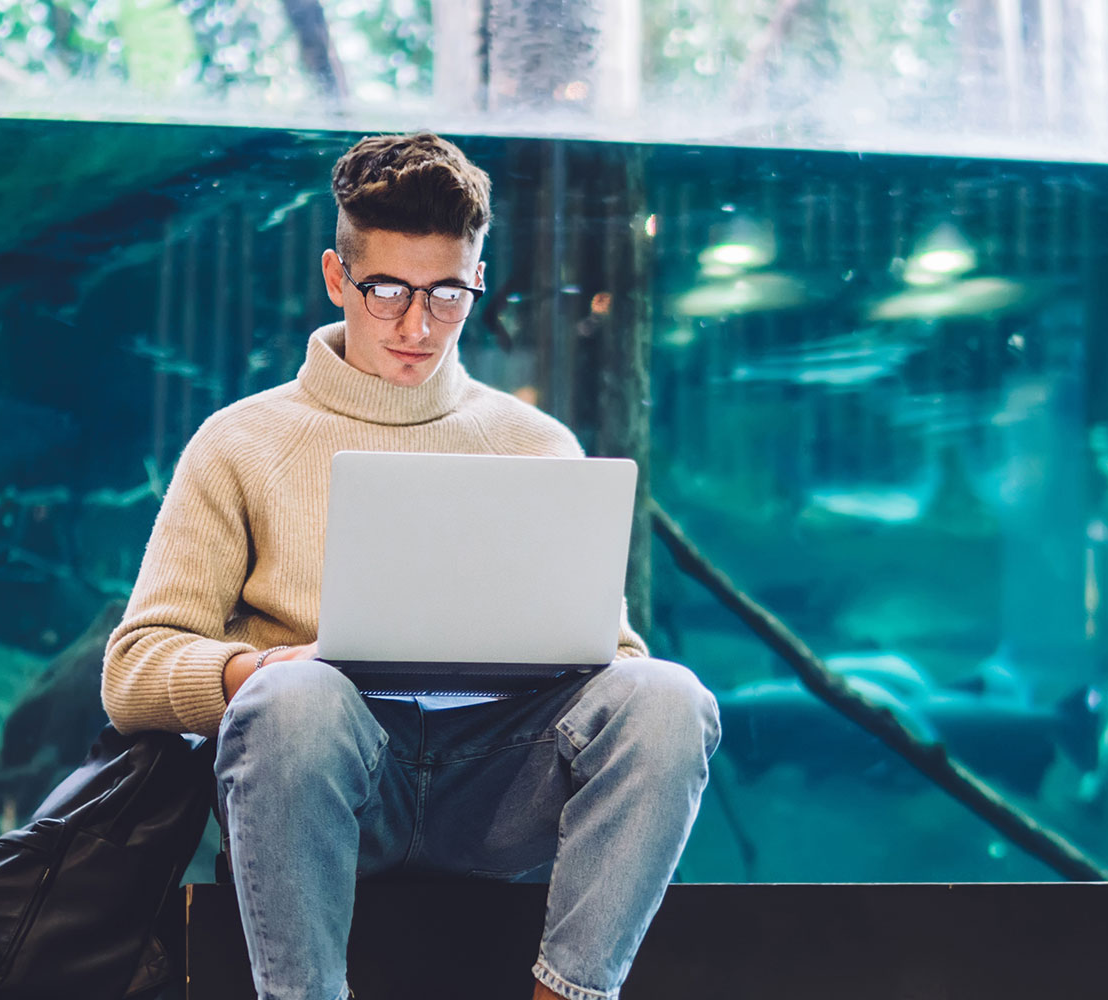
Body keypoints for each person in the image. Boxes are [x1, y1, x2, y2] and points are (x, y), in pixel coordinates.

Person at [101, 131, 721, 1000]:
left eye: (448, 294)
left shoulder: (537, 445)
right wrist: (249, 668)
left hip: (501, 786)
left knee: (672, 699)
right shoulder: (241, 443)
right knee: (294, 698)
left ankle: (571, 994)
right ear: (335, 277)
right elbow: (132, 669)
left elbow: (616, 667)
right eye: (387, 290)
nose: (417, 325)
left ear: (477, 278)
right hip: (333, 786)